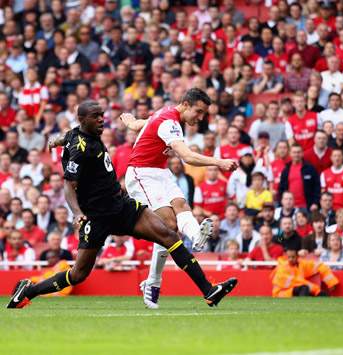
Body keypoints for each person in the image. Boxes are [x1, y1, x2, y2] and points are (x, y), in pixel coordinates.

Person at [6, 100, 238, 310]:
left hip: (121, 206)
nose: (101, 120)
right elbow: (68, 186)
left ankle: (209, 291)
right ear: (82, 119)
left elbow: (69, 135)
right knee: (78, 274)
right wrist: (77, 213)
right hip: (97, 217)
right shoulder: (80, 149)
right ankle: (29, 290)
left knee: (169, 236)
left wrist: (57, 139)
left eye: (102, 115)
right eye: (96, 116)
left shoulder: (81, 134)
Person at [119, 88, 238, 309]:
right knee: (169, 225)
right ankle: (153, 282)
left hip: (160, 172)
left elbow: (142, 124)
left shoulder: (166, 114)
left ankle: (196, 237)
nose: (200, 118)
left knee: (181, 206)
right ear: (185, 104)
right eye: (199, 112)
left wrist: (131, 122)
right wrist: (220, 162)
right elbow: (188, 157)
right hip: (140, 173)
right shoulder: (169, 122)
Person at [271, 247, 339, 298]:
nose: (290, 259)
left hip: (295, 291)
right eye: (289, 257)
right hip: (280, 294)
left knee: (307, 289)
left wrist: (331, 282)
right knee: (305, 288)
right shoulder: (282, 267)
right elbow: (297, 282)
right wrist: (316, 290)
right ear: (286, 257)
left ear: (297, 257)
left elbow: (319, 265)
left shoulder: (301, 264)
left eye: (293, 257)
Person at [278, 143, 320, 210]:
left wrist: (315, 203)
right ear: (290, 154)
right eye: (294, 152)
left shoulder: (310, 169)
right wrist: (281, 203)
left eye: (298, 152)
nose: (296, 155)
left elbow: (317, 187)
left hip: (306, 206)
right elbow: (281, 189)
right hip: (289, 207)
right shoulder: (286, 170)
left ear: (302, 153)